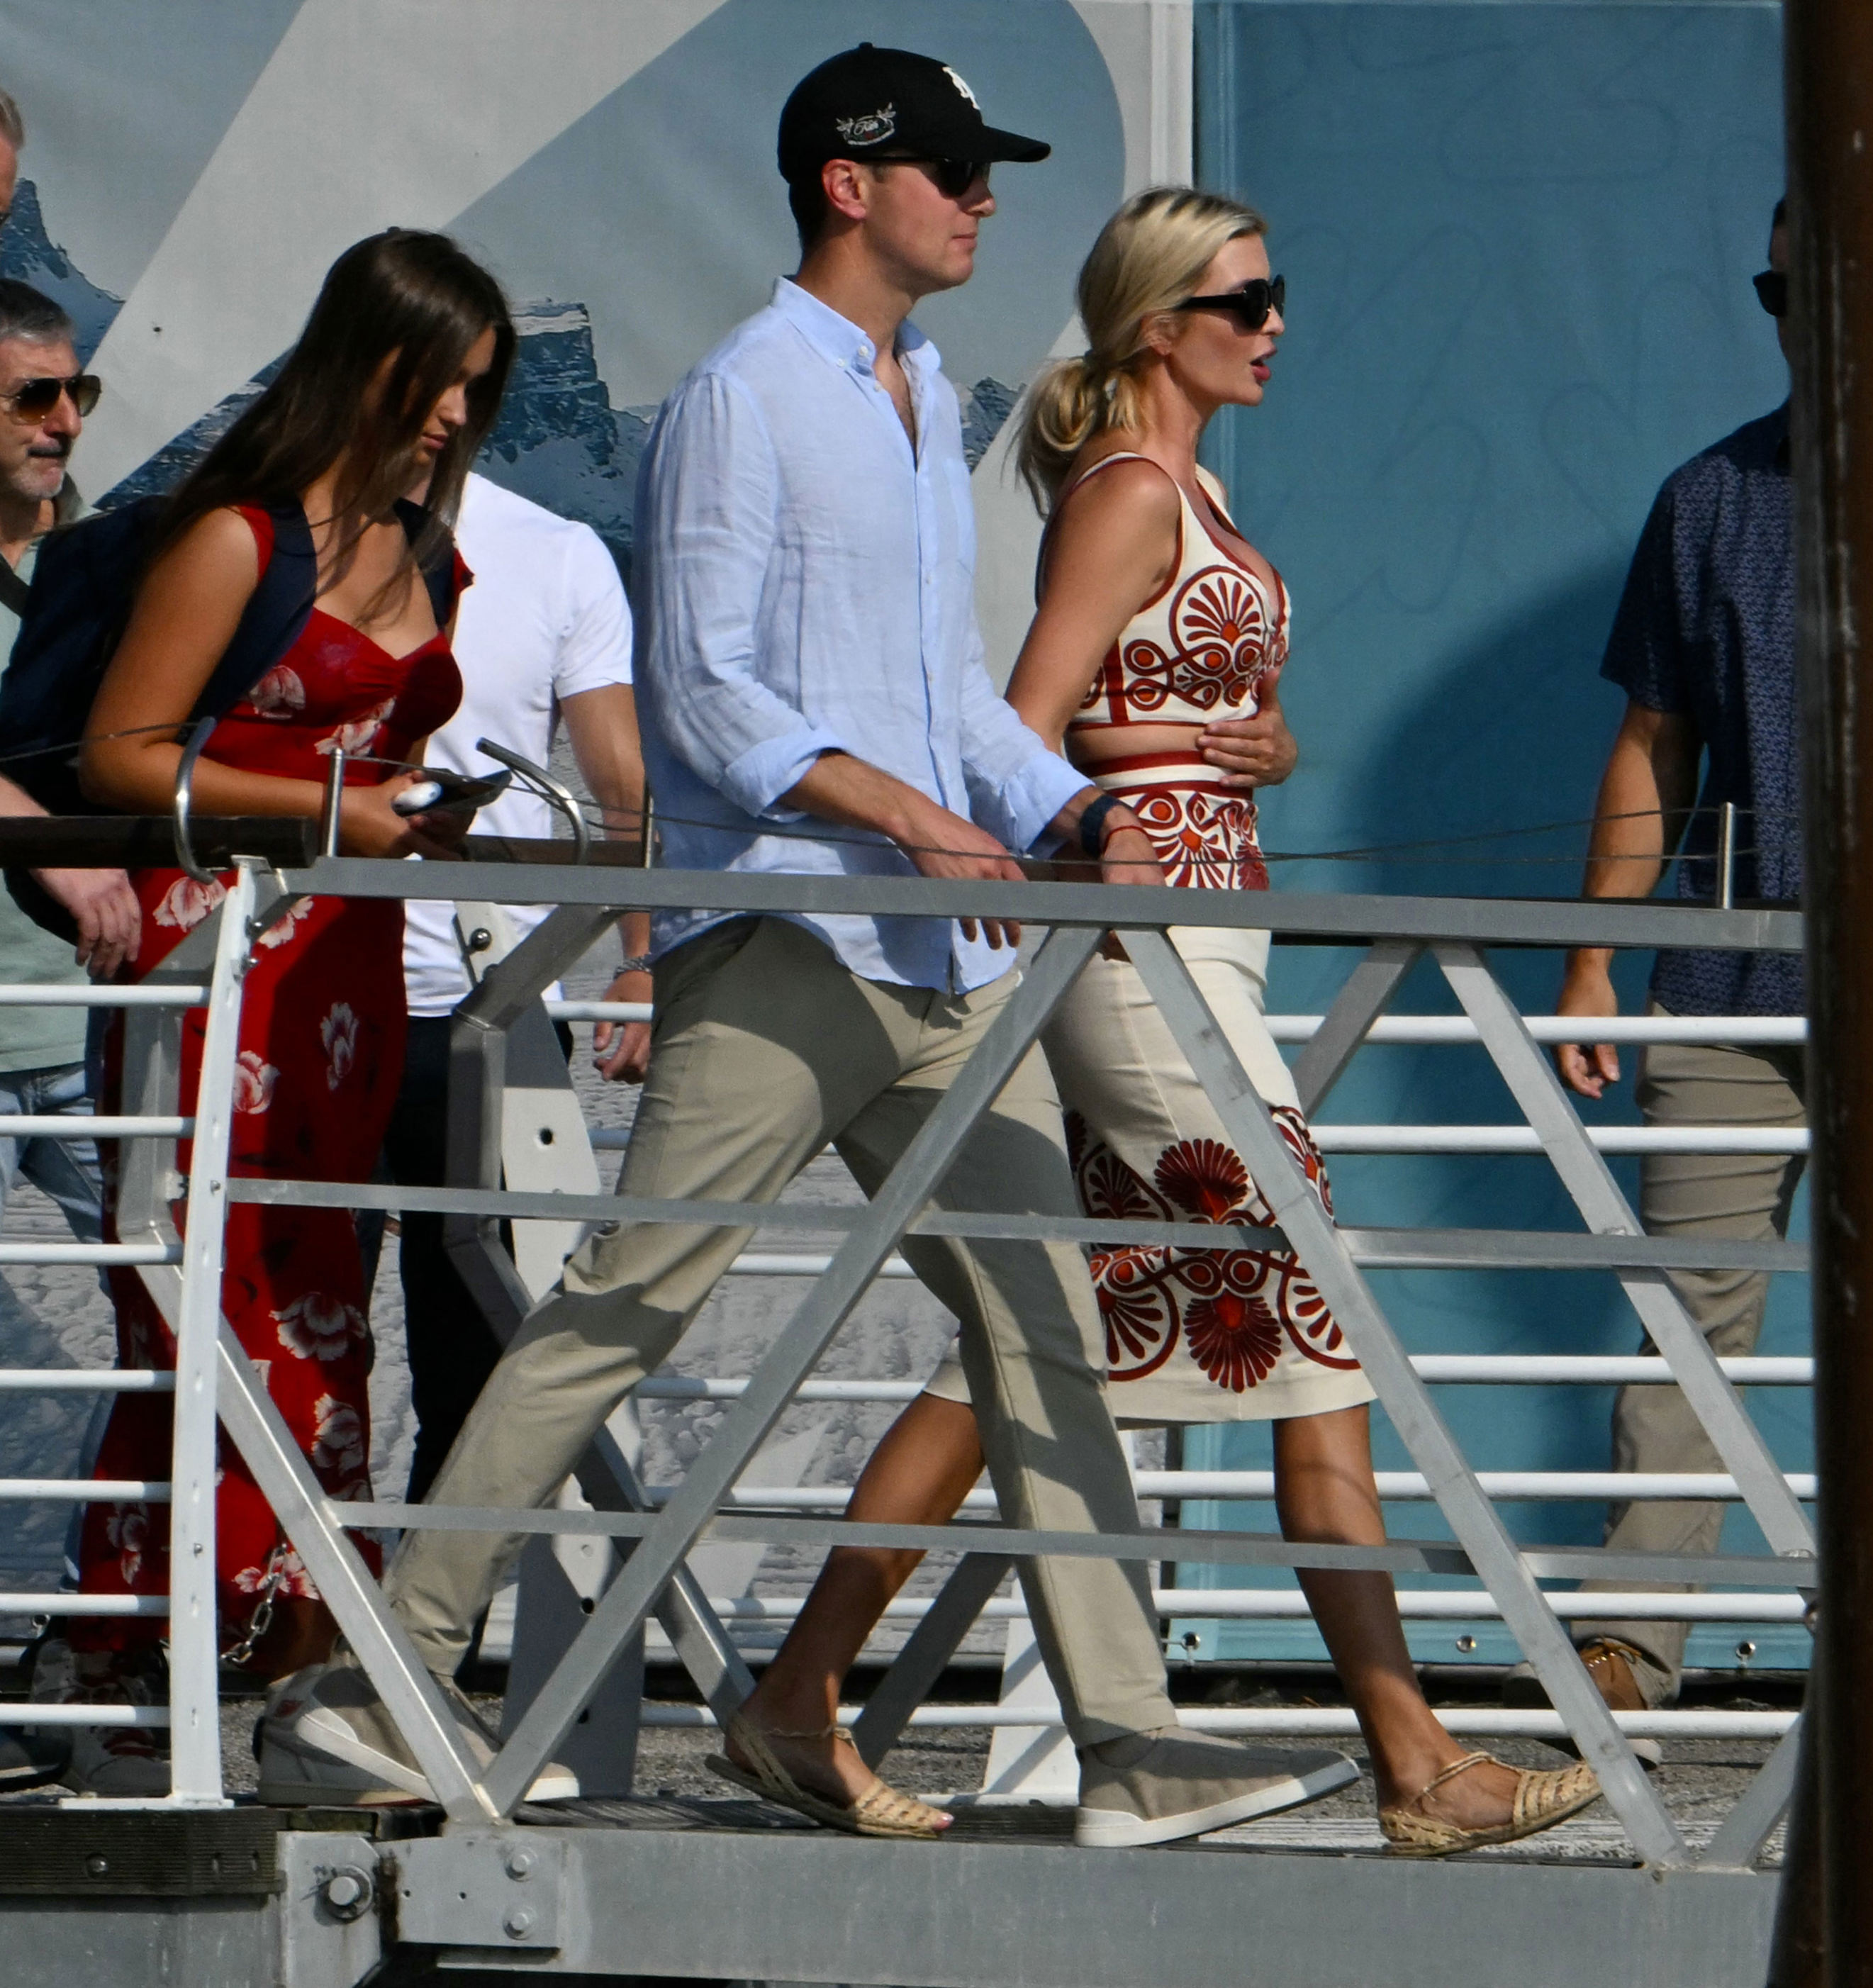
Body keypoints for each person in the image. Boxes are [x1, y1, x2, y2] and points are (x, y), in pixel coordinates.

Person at [267, 48, 1360, 1848]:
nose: (982, 197)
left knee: (1049, 1317)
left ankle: (1134, 1746)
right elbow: (702, 693)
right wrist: (913, 816)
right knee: (628, 1303)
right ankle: (381, 1684)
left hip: (940, 958)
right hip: (784, 935)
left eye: (983, 170)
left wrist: (1056, 812)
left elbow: (950, 696)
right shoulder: (740, 393)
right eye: (949, 169)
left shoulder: (921, 396)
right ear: (848, 186)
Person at [727, 186, 1602, 1858]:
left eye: (1277, 294)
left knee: (1033, 1336)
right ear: (1157, 324)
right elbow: (1024, 720)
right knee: (1314, 1304)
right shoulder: (1132, 491)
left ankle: (797, 1688)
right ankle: (1414, 1755)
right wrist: (1123, 804)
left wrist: (1260, 746)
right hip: (1143, 959)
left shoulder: (1194, 489)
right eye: (1245, 301)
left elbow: (1164, 707)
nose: (1276, 325)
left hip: (1208, 941)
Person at [60, 230, 511, 1797]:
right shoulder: (239, 539)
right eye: (432, 376)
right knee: (208, 1301)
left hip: (348, 968)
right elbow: (121, 754)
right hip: (214, 959)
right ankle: (167, 1665)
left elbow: (378, 753)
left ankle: (279, 1675)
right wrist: (330, 806)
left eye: (476, 386)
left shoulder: (428, 552)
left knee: (323, 1304)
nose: (453, 412)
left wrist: (409, 815)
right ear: (359, 359)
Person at [1538, 203, 1801, 1732]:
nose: (1801, 312)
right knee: (1688, 1319)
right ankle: (1630, 1643)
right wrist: (1592, 961)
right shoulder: (1709, 496)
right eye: (1777, 286)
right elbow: (1651, 744)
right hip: (1722, 982)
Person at [374, 470, 653, 1501]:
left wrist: (642, 958)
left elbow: (619, 779)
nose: (441, 409)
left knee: (477, 1354)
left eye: (465, 392)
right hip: (308, 993)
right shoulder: (270, 525)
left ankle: (426, 1593)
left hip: (490, 1003)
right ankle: (289, 1588)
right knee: (289, 1333)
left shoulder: (556, 548)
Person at [0, 262, 138, 1795]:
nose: (65, 421)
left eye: (78, 391)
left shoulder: (98, 572)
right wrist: (49, 842)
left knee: (182, 1317)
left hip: (97, 1027)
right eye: (33, 395)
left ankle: (89, 1638)